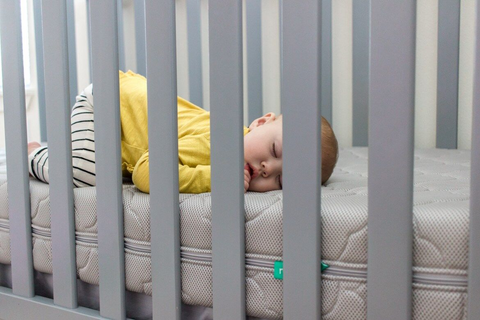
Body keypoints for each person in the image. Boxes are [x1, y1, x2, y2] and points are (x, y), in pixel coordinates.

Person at [28, 70, 338, 194]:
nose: (268, 169)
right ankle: (36, 153)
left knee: (110, 171)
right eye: (276, 151)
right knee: (86, 174)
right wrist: (214, 178)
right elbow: (145, 172)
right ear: (259, 122)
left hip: (125, 127)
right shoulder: (218, 144)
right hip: (108, 104)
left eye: (281, 180)